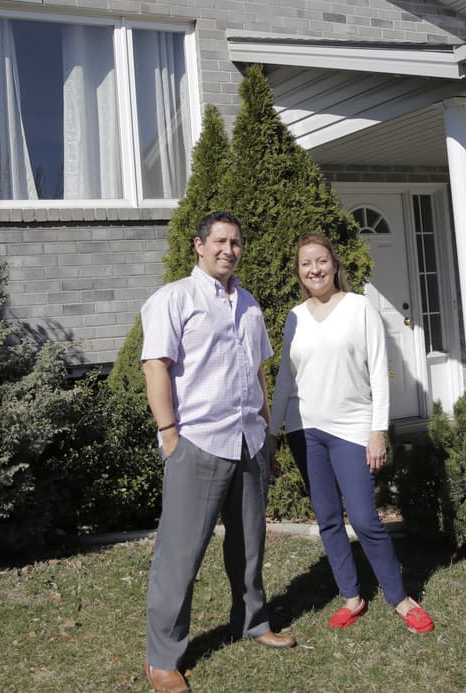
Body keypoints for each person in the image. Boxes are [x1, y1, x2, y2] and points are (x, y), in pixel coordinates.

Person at [141, 211, 296, 693]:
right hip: (199, 443)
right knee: (180, 555)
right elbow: (156, 367)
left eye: (236, 242)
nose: (229, 249)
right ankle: (163, 658)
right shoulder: (174, 299)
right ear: (199, 246)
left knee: (249, 545)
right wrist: (170, 435)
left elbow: (257, 376)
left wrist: (267, 437)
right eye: (220, 241)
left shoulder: (248, 304)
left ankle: (252, 622)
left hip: (248, 441)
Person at [270, 233, 435, 634]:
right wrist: (273, 432)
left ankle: (399, 597)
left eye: (322, 261)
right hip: (305, 430)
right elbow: (285, 379)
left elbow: (379, 370)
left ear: (335, 264)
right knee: (327, 519)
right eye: (307, 263)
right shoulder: (295, 317)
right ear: (298, 271)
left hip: (352, 428)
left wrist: (378, 430)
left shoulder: (360, 308)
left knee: (364, 519)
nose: (315, 269)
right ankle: (352, 597)